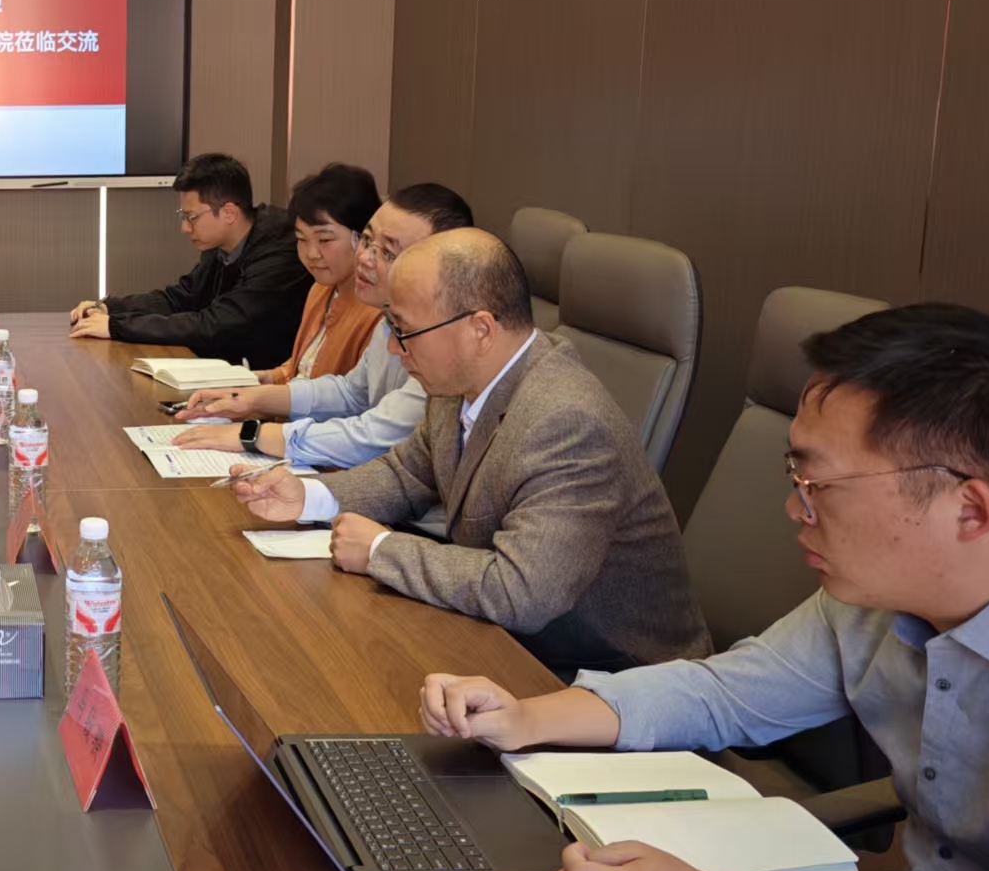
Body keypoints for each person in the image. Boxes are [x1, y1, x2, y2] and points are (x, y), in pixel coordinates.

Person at [419, 304, 989, 871]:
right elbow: (727, 690)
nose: (793, 509)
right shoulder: (883, 601)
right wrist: (528, 717)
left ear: (969, 509)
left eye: (818, 486)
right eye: (795, 480)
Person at [233, 228, 709, 676]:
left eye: (404, 330)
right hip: (505, 639)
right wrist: (309, 496)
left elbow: (521, 591)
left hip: (603, 675)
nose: (395, 350)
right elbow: (406, 475)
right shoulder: (458, 383)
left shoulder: (566, 421)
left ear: (480, 328)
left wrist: (381, 550)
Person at [171, 182, 472, 468]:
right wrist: (252, 398)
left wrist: (257, 435)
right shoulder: (389, 317)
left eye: (388, 252)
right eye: (367, 241)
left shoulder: (447, 343)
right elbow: (352, 393)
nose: (364, 258)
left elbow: (374, 435)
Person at [67, 152, 311, 369]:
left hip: (265, 383)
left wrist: (116, 327)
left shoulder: (280, 251)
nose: (185, 228)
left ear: (229, 213)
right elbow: (181, 298)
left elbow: (215, 325)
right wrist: (110, 308)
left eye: (191, 217)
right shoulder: (221, 245)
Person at [251, 163, 382, 386]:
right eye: (301, 239)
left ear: (363, 238)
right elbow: (304, 366)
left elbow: (354, 398)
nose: (311, 253)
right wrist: (270, 378)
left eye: (325, 240)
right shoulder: (320, 289)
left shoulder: (377, 311)